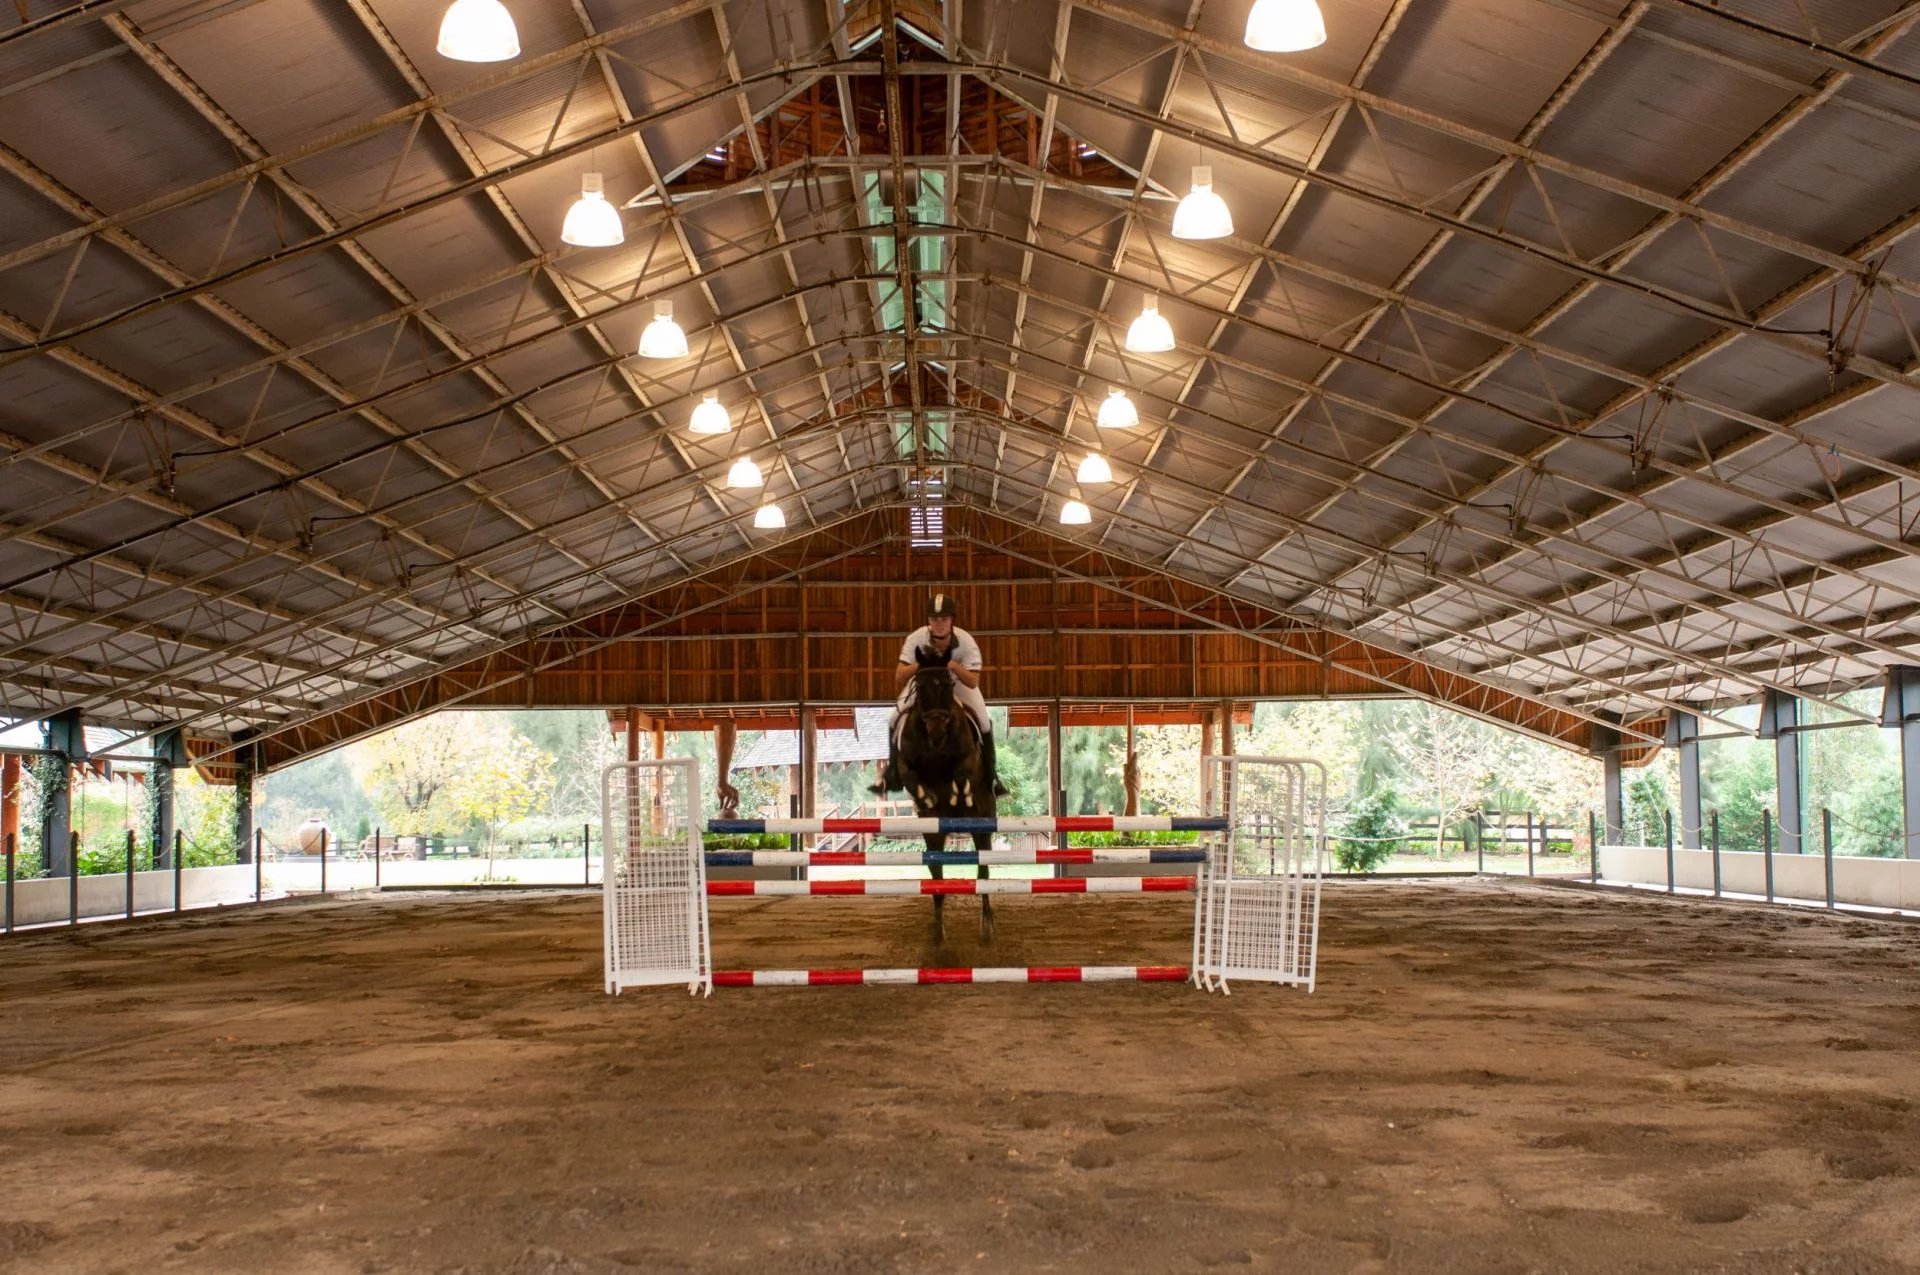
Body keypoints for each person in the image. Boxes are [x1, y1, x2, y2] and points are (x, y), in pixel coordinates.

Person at [875, 592, 1005, 796]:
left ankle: (992, 776)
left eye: (944, 619)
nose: (939, 624)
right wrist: (920, 665)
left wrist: (952, 665)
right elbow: (899, 675)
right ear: (928, 620)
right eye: (934, 619)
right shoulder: (916, 638)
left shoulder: (965, 640)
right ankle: (892, 774)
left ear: (952, 619)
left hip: (957, 683)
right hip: (925, 682)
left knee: (984, 721)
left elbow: (973, 681)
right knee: (893, 719)